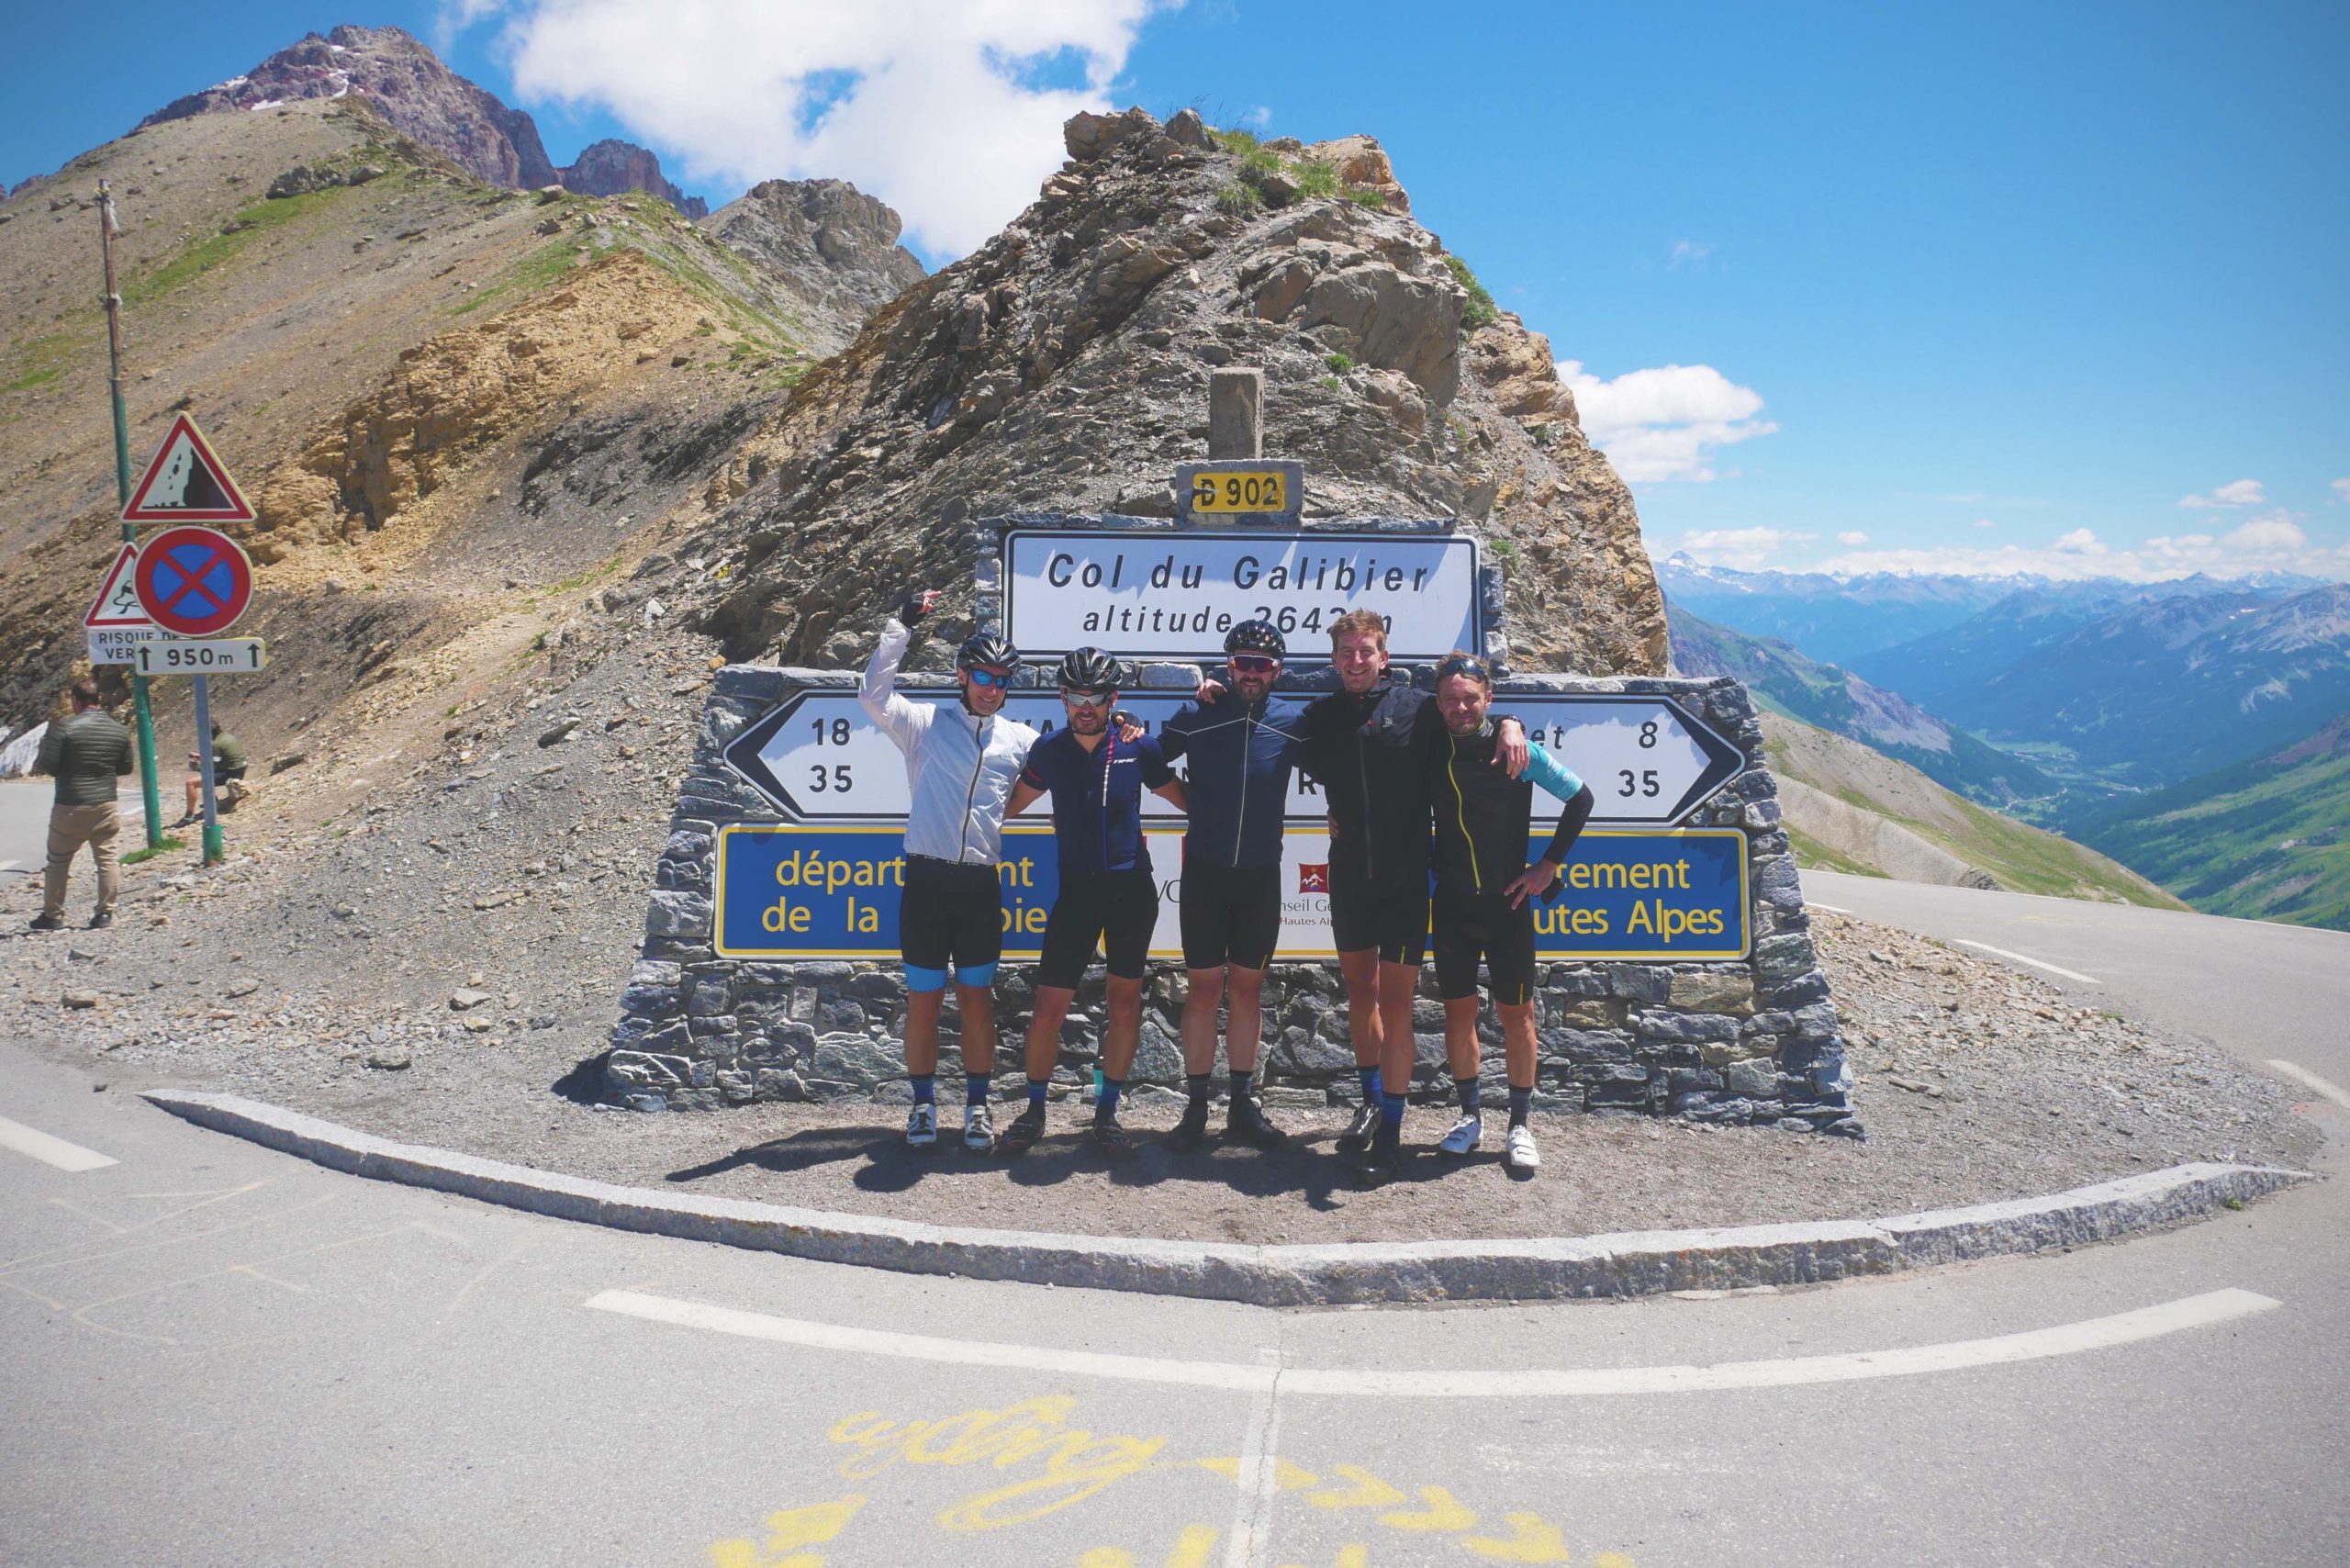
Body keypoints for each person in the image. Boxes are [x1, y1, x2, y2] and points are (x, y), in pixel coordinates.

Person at [1290, 611, 1528, 1162]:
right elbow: (1258, 723)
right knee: (1359, 993)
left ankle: (1392, 1129)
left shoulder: (1418, 709)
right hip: (1348, 877)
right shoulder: (1320, 717)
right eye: (1346, 651)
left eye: (1365, 651)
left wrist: (1512, 719)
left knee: (1396, 1005)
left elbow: (1473, 719)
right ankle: (1371, 1100)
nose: (1355, 660)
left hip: (1403, 880)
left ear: (1384, 657)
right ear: (1333, 660)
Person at [860, 590, 1040, 1151]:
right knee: (923, 1001)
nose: (992, 688)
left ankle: (978, 1106)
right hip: (927, 883)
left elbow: (1073, 755)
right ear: (963, 675)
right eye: (983, 676)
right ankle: (921, 1107)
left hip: (980, 886)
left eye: (1002, 681)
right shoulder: (923, 724)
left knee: (978, 1001)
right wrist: (901, 625)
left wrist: (1124, 724)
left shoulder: (1021, 739)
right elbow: (872, 695)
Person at [998, 648, 1188, 1159]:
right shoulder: (1049, 750)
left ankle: (1106, 1114)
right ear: (1063, 696)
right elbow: (1008, 803)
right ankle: (1034, 1111)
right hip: (1076, 894)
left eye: (1097, 697)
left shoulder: (1138, 746)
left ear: (1113, 699)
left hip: (1131, 893)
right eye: (1076, 695)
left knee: (1125, 1007)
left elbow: (1186, 799)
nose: (1086, 706)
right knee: (1047, 1011)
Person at [1414, 651, 1595, 1176]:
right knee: (1458, 1013)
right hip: (1451, 902)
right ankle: (1470, 1117)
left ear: (1488, 699)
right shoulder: (1431, 748)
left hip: (1508, 904)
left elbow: (1580, 798)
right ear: (1439, 704)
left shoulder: (1517, 750)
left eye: (1471, 698)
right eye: (1451, 699)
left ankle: (1519, 1124)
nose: (1461, 707)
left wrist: (1548, 866)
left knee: (1519, 1016)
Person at [1154, 619, 1313, 1150]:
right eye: (1242, 662)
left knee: (1247, 990)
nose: (1251, 673)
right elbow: (1149, 761)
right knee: (1202, 990)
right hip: (1204, 872)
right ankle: (1196, 1106)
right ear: (1228, 664)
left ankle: (1244, 1103)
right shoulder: (1199, 712)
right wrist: (1188, 801)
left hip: (1261, 876)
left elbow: (1348, 762)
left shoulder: (1293, 719)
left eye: (1261, 665)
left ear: (1277, 671)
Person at [32, 678, 133, 932]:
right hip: (106, 803)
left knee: (59, 860)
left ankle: (52, 915)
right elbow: (126, 767)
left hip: (70, 803)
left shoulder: (65, 728)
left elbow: (50, 766)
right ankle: (104, 914)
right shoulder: (118, 730)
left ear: (76, 701)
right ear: (99, 699)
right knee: (107, 859)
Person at [176, 722, 247, 825]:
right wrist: (201, 756)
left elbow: (212, 768)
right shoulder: (227, 737)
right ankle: (212, 801)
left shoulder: (216, 744)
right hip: (239, 768)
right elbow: (219, 757)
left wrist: (197, 766)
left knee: (191, 783)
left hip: (231, 773)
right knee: (205, 778)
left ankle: (189, 815)